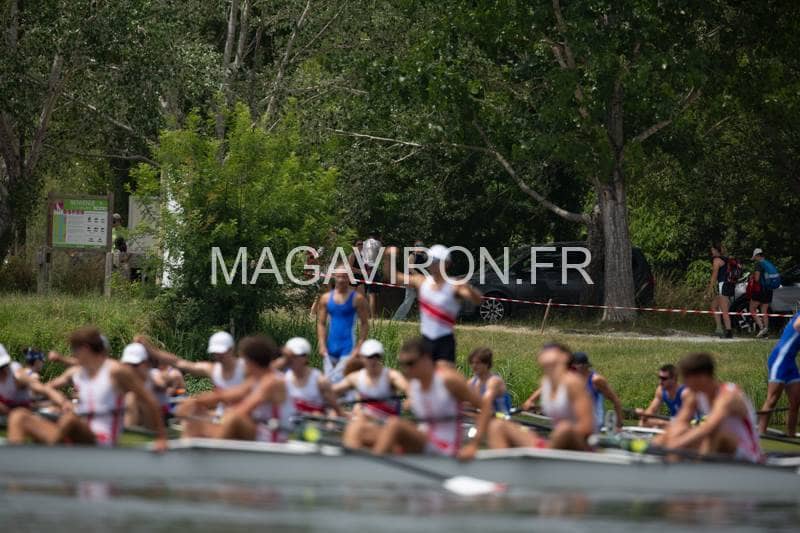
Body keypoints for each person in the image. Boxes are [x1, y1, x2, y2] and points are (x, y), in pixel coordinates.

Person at [7, 327, 167, 450]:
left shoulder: (115, 371)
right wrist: (62, 401)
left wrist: (161, 438)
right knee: (19, 416)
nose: (73, 354)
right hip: (77, 433)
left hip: (103, 440)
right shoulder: (77, 372)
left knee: (69, 419)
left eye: (74, 350)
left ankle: (48, 454)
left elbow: (149, 399)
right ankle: (17, 462)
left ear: (85, 349)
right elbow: (48, 387)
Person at [463, 343, 595, 457]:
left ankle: (543, 458)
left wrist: (559, 436)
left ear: (564, 357)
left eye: (550, 350)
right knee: (498, 426)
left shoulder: (573, 383)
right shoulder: (546, 382)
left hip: (578, 444)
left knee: (564, 429)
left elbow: (587, 427)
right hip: (553, 443)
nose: (474, 366)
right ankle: (503, 467)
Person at [372, 337, 490, 457]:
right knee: (365, 430)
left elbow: (485, 406)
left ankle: (373, 463)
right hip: (425, 442)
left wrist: (474, 445)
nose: (406, 369)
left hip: (445, 447)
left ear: (425, 359)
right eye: (402, 364)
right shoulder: (413, 385)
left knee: (394, 424)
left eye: (410, 363)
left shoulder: (448, 380)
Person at [175, 335, 295, 443]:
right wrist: (195, 402)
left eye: (244, 361)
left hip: (274, 436)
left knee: (234, 418)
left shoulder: (273, 382)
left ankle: (215, 451)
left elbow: (243, 409)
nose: (241, 364)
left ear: (251, 362)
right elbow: (224, 395)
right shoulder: (254, 380)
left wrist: (212, 421)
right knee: (194, 417)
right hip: (258, 430)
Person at [384, 244, 482, 365]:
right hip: (426, 340)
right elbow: (393, 277)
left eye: (436, 261)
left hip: (445, 342)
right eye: (431, 260)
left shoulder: (454, 286)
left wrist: (469, 290)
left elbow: (478, 300)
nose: (433, 264)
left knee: (443, 373)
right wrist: (388, 258)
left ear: (446, 264)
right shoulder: (421, 281)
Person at [658, 352, 761, 463]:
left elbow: (709, 427)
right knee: (678, 430)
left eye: (687, 378)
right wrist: (662, 440)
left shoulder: (728, 396)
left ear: (702, 377)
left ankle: (699, 468)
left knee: (714, 433)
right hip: (720, 452)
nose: (684, 383)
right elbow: (680, 423)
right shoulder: (694, 395)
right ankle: (667, 466)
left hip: (748, 455)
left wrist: (675, 444)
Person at [136, 331, 245, 416]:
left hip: (242, 416)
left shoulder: (245, 367)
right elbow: (178, 362)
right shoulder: (212, 369)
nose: (218, 356)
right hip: (222, 417)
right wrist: (151, 350)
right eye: (215, 353)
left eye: (221, 352)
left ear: (231, 349)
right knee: (187, 409)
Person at [333, 339, 408, 448]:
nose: (373, 360)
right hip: (365, 422)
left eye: (376, 356)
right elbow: (332, 391)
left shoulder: (391, 376)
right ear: (362, 358)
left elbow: (410, 390)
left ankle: (353, 446)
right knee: (336, 415)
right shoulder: (356, 378)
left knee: (358, 423)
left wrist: (407, 403)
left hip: (386, 425)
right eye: (369, 357)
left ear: (380, 357)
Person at [316, 267, 370, 384]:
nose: (341, 280)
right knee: (329, 382)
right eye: (339, 276)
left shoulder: (357, 299)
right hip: (330, 347)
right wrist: (322, 344)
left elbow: (365, 323)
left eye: (344, 277)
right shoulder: (326, 298)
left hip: (348, 347)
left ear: (349, 278)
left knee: (340, 381)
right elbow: (321, 323)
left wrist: (360, 345)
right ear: (334, 277)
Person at [758, 310, 800, 436]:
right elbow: (797, 325)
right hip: (779, 359)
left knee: (795, 401)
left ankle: (791, 435)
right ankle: (761, 434)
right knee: (772, 399)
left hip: (790, 362)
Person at [0, 344, 67, 414]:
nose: (3, 371)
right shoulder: (34, 375)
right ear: (37, 362)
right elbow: (38, 394)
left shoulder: (18, 373)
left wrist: (63, 402)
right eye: (42, 361)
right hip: (25, 408)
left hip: (23, 408)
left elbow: (44, 390)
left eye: (5, 366)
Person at [283, 336, 340, 416]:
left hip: (314, 421)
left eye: (295, 356)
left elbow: (337, 411)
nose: (292, 359)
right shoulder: (283, 379)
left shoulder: (320, 381)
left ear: (306, 357)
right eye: (289, 356)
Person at [119, 342, 170, 429]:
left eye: (134, 365)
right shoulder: (125, 377)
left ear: (146, 364)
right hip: (139, 414)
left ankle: (129, 430)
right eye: (127, 364)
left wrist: (153, 381)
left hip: (159, 417)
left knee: (131, 397)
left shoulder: (153, 374)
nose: (130, 368)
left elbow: (163, 385)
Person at [569, 352, 623, 432]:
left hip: (594, 424)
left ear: (584, 366)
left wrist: (619, 425)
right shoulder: (574, 379)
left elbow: (616, 401)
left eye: (573, 367)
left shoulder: (596, 380)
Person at [636, 364, 692, 428]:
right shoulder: (660, 390)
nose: (660, 381)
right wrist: (644, 415)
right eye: (659, 377)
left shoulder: (685, 393)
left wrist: (661, 423)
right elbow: (651, 410)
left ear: (673, 378)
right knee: (643, 423)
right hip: (675, 422)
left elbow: (687, 420)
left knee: (657, 422)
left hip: (691, 423)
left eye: (664, 379)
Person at [467, 347, 512, 417]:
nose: (474, 366)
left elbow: (486, 403)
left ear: (487, 364)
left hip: (500, 418)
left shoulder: (494, 382)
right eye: (472, 363)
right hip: (483, 416)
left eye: (478, 363)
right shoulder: (472, 382)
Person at [392, 241, 427, 321]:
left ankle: (422, 319)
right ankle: (397, 318)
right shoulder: (412, 255)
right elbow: (410, 268)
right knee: (408, 301)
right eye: (418, 246)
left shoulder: (423, 257)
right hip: (412, 280)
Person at [750, 248, 780, 338]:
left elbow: (757, 279)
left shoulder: (759, 264)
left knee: (752, 309)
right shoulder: (768, 263)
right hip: (769, 290)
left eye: (755, 257)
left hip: (760, 290)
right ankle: (766, 332)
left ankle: (762, 328)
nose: (755, 258)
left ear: (757, 256)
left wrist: (752, 276)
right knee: (764, 311)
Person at [709, 243, 736, 338]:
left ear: (716, 250)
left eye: (712, 250)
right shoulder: (726, 259)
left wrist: (710, 289)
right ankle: (719, 329)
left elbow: (714, 275)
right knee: (714, 306)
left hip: (723, 285)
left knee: (724, 310)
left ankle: (729, 332)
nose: (711, 252)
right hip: (730, 285)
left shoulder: (716, 260)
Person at [361, 230, 383, 317]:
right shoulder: (377, 243)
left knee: (366, 292)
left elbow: (362, 255)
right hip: (372, 267)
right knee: (372, 293)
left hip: (364, 268)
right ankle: (373, 315)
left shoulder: (364, 243)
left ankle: (366, 314)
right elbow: (382, 254)